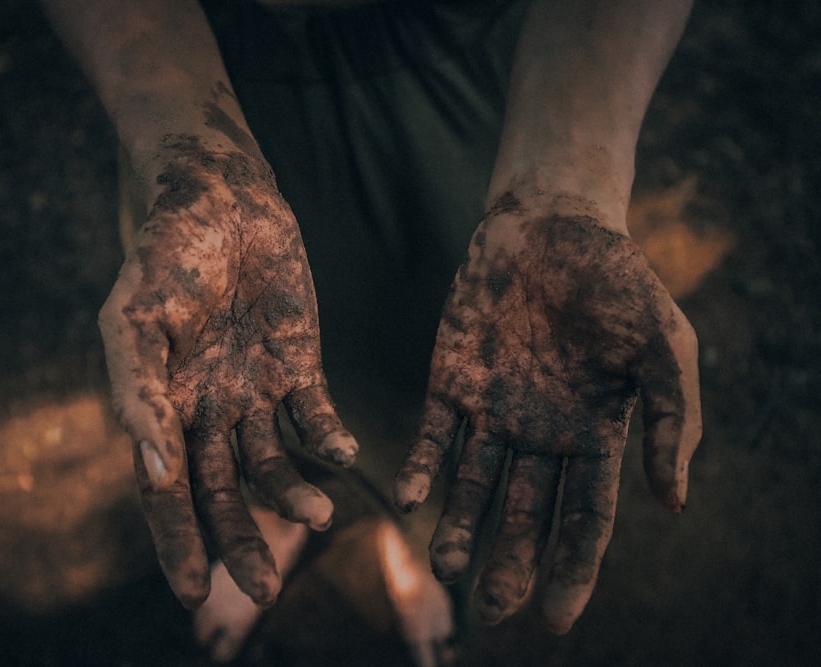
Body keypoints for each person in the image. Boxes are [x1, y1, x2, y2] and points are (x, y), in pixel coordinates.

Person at [40, 0, 702, 637]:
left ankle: (408, 528)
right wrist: (189, 154)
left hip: (500, 85)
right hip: (194, 71)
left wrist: (566, 183)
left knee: (452, 372)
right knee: (244, 372)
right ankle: (284, 508)